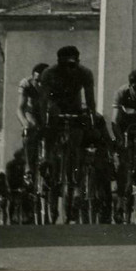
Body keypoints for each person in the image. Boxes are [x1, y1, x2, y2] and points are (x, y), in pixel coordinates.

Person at [39, 46, 98, 219]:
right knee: (50, 132)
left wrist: (91, 120)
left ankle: (76, 180)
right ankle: (48, 162)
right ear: (59, 63)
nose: (70, 69)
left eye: (73, 65)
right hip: (55, 106)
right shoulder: (49, 74)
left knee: (78, 140)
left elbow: (90, 101)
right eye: (66, 65)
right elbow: (43, 101)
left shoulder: (85, 73)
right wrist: (44, 122)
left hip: (74, 107)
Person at [18, 61, 50, 181]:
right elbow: (20, 108)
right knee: (30, 131)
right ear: (33, 78)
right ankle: (28, 168)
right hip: (31, 113)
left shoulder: (53, 84)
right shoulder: (26, 84)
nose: (40, 84)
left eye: (43, 82)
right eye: (37, 81)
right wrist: (25, 123)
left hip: (46, 113)